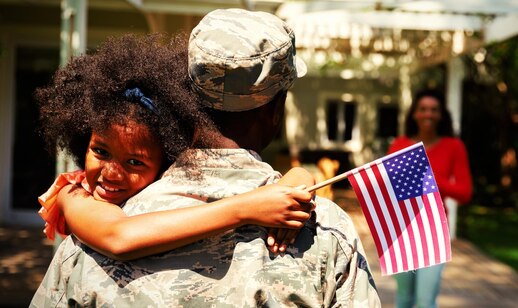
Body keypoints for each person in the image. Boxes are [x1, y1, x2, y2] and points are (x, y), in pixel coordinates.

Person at [32, 8, 380, 307]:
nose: (112, 172)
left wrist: (297, 175)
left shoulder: (93, 224)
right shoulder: (321, 228)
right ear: (276, 109)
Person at [34, 32, 314, 260]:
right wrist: (246, 208)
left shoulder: (166, 181)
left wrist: (299, 177)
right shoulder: (74, 194)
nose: (111, 174)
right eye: (100, 151)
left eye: (135, 162)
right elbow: (118, 237)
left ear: (168, 155)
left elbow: (298, 177)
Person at [388, 89, 473, 308]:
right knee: (404, 299)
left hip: (434, 230)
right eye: (423, 109)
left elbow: (464, 193)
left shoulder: (454, 146)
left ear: (442, 115)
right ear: (414, 114)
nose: (428, 114)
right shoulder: (399, 144)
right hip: (402, 231)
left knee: (425, 302)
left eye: (434, 110)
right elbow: (389, 190)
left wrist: (431, 178)